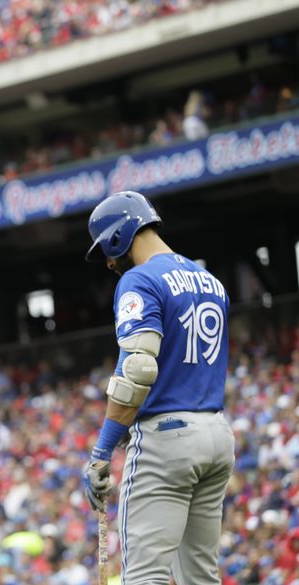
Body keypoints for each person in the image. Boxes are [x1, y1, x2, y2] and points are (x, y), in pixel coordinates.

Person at [83, 191, 235, 584]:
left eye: (107, 251)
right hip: (217, 434)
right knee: (201, 577)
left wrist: (103, 450)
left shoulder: (140, 278)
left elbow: (137, 368)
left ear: (120, 235)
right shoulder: (211, 281)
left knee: (144, 577)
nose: (109, 263)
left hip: (168, 440)